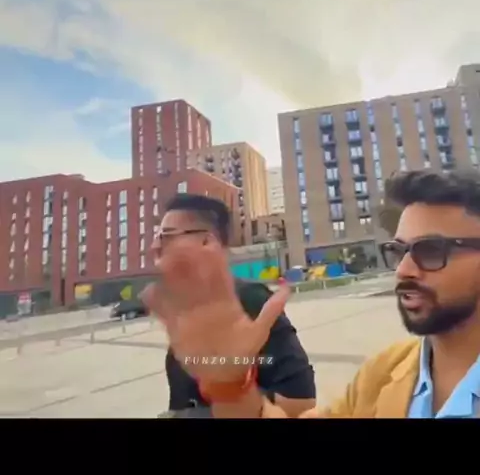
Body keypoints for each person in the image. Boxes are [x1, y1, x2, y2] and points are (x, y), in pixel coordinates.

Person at [142, 169, 480, 419]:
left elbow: (298, 399)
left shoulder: (252, 300)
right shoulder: (382, 374)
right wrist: (231, 388)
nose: (403, 270)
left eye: (431, 250)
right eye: (398, 251)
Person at [151, 193, 316, 418]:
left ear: (207, 242)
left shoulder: (249, 300)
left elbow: (301, 402)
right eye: (157, 236)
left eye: (166, 236)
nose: (155, 246)